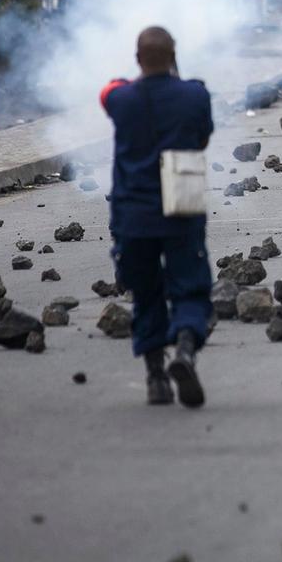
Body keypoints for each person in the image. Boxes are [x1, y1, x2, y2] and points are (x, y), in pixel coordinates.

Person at [99, 27, 213, 408]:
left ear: (137, 59)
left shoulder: (122, 99)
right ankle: (184, 348)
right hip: (180, 209)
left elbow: (108, 90)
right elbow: (201, 138)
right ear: (174, 55)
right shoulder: (195, 95)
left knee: (146, 293)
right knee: (190, 286)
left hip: (133, 216)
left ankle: (155, 379)